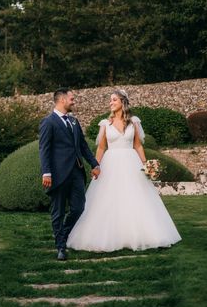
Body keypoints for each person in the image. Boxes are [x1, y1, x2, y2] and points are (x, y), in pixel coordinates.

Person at [66, 89, 182, 252]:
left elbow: (138, 145)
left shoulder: (133, 121)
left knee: (135, 197)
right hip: (110, 163)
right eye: (110, 100)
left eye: (114, 99)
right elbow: (101, 148)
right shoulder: (105, 124)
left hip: (131, 162)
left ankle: (142, 234)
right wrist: (96, 166)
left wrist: (146, 165)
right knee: (109, 198)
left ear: (122, 102)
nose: (111, 102)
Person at [39, 88, 101, 261]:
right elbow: (44, 149)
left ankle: (63, 235)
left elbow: (82, 146)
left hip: (76, 173)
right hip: (57, 175)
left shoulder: (74, 122)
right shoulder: (48, 122)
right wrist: (46, 172)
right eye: (71, 99)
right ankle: (60, 247)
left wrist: (94, 164)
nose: (74, 101)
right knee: (57, 211)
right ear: (62, 100)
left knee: (78, 208)